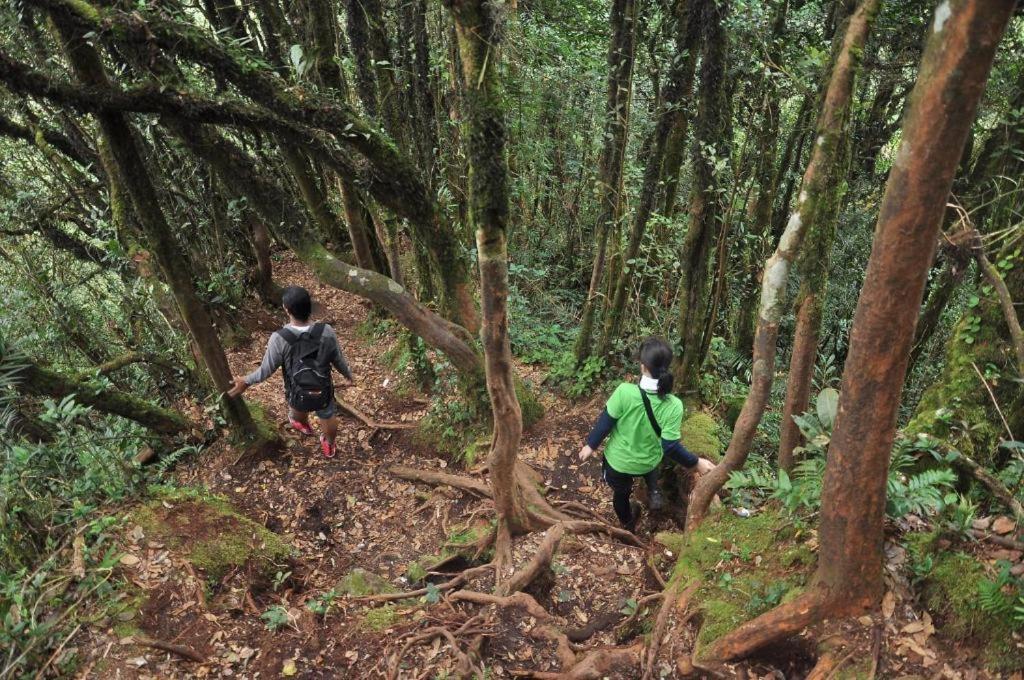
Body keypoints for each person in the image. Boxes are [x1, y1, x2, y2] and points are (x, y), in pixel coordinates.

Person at [578, 337, 714, 531]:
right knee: (651, 463)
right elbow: (670, 446)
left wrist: (590, 446)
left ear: (643, 367)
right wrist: (696, 463)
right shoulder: (674, 405)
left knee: (621, 494)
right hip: (648, 462)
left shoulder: (624, 392)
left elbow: (606, 422)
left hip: (619, 463)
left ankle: (628, 524)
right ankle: (654, 490)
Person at [228, 286, 353, 458]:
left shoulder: (280, 338)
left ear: (287, 310)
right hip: (322, 389)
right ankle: (329, 444)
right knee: (328, 414)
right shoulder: (326, 331)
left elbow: (266, 370)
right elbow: (337, 358)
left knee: (295, 413)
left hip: (297, 390)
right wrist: (348, 375)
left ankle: (304, 425)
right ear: (310, 306)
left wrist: (246, 381)